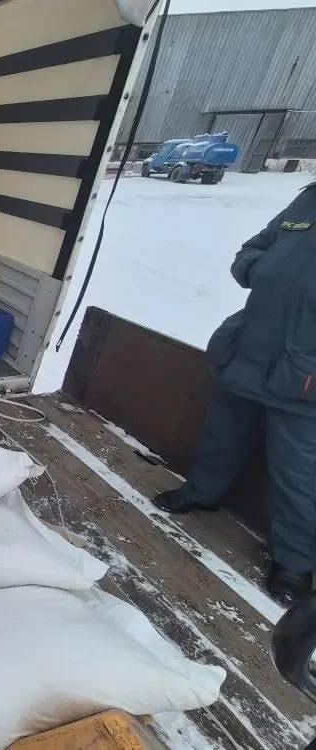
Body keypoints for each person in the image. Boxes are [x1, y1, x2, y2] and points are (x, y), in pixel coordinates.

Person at [153, 180, 316, 605]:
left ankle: (294, 564)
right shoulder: (308, 198)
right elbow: (253, 247)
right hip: (249, 350)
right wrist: (257, 268)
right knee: (221, 435)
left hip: (305, 373)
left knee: (298, 473)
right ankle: (201, 494)